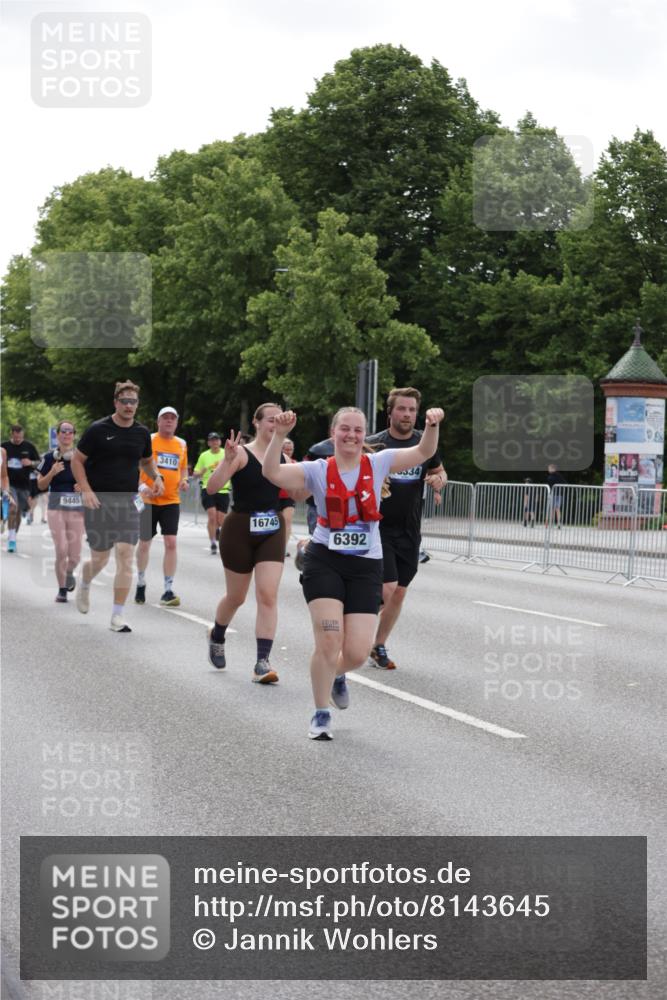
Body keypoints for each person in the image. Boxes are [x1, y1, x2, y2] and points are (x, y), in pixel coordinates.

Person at [263, 403, 445, 741]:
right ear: (333, 434)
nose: (351, 435)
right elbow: (272, 473)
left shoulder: (379, 463)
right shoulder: (318, 468)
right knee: (330, 640)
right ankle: (320, 713)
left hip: (365, 566)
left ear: (364, 436)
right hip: (325, 563)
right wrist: (279, 437)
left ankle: (334, 674)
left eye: (358, 430)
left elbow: (423, 452)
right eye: (345, 429)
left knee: (359, 653)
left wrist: (432, 425)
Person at [206, 403, 304, 683]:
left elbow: (298, 494)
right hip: (239, 529)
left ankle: (262, 661)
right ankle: (217, 634)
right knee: (236, 596)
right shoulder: (242, 454)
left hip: (272, 529)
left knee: (267, 594)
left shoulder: (284, 460)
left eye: (279, 420)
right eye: (270, 420)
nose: (275, 424)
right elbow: (213, 488)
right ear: (258, 424)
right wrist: (227, 460)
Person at [71, 381, 164, 632]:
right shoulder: (98, 430)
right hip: (98, 500)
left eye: (133, 402)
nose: (129, 406)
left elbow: (146, 462)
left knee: (125, 554)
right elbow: (77, 462)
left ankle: (117, 616)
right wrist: (87, 490)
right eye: (124, 401)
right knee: (100, 559)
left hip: (128, 502)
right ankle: (86, 581)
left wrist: (156, 477)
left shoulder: (142, 433)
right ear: (116, 402)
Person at [365, 388, 447, 670]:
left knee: (399, 591)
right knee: (387, 588)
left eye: (412, 410)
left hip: (410, 529)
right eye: (402, 409)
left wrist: (439, 481)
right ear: (390, 412)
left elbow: (438, 470)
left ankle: (378, 644)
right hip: (378, 527)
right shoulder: (375, 444)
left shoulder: (423, 442)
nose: (407, 415)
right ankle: (353, 624)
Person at [135, 406, 189, 607]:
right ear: (158, 422)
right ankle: (141, 581)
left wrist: (185, 480)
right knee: (144, 543)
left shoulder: (181, 444)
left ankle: (167, 589)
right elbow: (137, 464)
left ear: (176, 422)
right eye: (165, 418)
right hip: (147, 499)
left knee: (171, 543)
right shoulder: (149, 440)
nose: (169, 421)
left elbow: (182, 467)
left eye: (172, 419)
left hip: (171, 500)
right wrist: (141, 486)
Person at [36, 420, 85, 602]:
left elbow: (91, 482)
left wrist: (83, 485)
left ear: (74, 435)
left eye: (70, 431)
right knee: (61, 549)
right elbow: (40, 484)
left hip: (77, 508)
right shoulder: (49, 458)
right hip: (56, 506)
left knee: (75, 555)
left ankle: (70, 571)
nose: (66, 434)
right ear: (57, 434)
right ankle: (62, 589)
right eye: (63, 431)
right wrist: (52, 473)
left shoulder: (81, 458)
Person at [1, 424, 40, 552]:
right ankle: (11, 539)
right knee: (13, 507)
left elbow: (41, 463)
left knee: (18, 512)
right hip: (9, 483)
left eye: (20, 437)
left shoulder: (29, 447)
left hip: (24, 485)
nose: (17, 439)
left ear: (23, 435)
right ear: (11, 434)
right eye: (15, 437)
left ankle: (13, 534)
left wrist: (31, 463)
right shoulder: (4, 447)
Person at [193, 433, 231, 554]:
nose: (215, 442)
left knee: (221, 520)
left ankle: (218, 530)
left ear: (220, 442)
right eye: (212, 441)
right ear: (209, 443)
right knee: (212, 516)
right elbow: (195, 474)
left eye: (217, 440)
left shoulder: (226, 453)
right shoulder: (204, 455)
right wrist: (202, 471)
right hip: (208, 489)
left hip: (223, 489)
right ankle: (213, 542)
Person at [546, 463, 567, 528]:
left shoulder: (551, 476)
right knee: (557, 508)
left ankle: (551, 523)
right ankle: (558, 523)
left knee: (552, 508)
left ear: (553, 469)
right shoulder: (559, 475)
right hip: (560, 494)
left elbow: (550, 483)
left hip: (554, 494)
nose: (548, 470)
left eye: (549, 468)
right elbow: (565, 483)